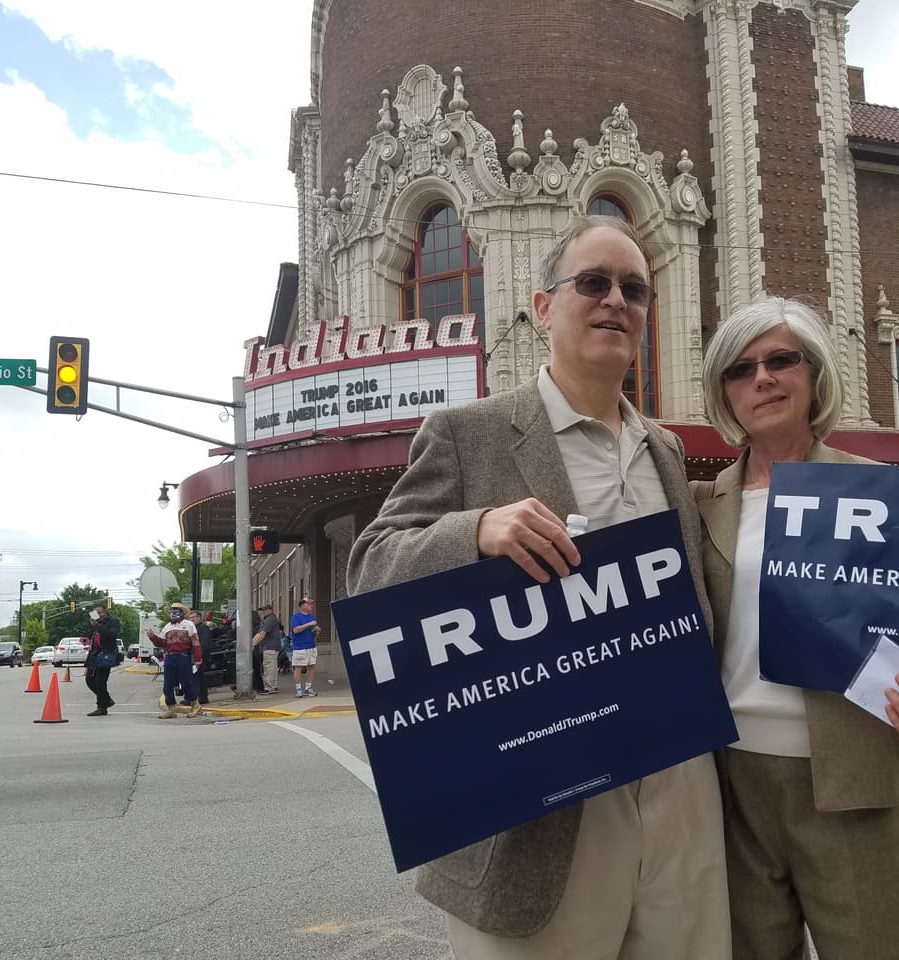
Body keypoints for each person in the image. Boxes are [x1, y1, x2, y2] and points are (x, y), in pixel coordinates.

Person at [348, 215, 729, 959]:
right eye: (593, 282)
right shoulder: (469, 433)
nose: (616, 300)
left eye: (634, 289)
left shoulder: (668, 450)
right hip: (543, 802)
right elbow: (369, 568)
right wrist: (477, 530)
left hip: (680, 786)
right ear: (544, 305)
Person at [692, 296, 899, 960]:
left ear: (815, 373)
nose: (761, 378)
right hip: (732, 786)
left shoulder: (885, 495)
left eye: (780, 360)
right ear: (724, 393)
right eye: (740, 369)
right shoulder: (700, 503)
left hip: (860, 780)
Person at [146, 602, 203, 718]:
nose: (173, 613)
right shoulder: (167, 627)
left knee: (186, 683)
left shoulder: (188, 625)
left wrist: (198, 659)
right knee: (167, 684)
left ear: (182, 613)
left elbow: (195, 642)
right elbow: (161, 643)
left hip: (183, 656)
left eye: (176, 610)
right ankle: (171, 707)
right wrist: (152, 636)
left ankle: (195, 704)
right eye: (172, 611)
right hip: (170, 657)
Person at [84, 604, 120, 716]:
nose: (99, 615)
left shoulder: (113, 621)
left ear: (106, 612)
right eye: (96, 613)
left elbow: (111, 636)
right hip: (95, 655)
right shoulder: (96, 624)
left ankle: (101, 707)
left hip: (106, 656)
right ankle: (107, 700)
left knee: (100, 682)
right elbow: (95, 642)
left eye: (101, 612)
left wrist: (98, 625)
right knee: (89, 680)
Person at [288, 597, 321, 697]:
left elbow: (314, 632)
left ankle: (308, 687)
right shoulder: (296, 617)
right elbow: (296, 630)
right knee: (298, 667)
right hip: (300, 647)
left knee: (311, 666)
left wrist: (316, 630)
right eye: (309, 604)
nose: (311, 605)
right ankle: (298, 689)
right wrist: (309, 624)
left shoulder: (312, 617)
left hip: (311, 645)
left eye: (311, 604)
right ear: (302, 605)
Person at [251, 603, 282, 695]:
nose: (262, 612)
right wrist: (251, 643)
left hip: (270, 646)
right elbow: (259, 633)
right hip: (270, 646)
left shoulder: (270, 619)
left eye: (264, 610)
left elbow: (262, 634)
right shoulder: (266, 619)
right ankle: (274, 686)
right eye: (261, 610)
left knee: (269, 667)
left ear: (270, 610)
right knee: (272, 666)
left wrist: (252, 645)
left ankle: (269, 687)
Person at [187, 609, 213, 705]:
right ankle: (201, 698)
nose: (192, 619)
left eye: (194, 617)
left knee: (196, 677)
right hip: (194, 655)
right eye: (190, 618)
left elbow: (205, 644)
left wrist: (199, 656)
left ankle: (196, 698)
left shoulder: (202, 628)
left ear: (199, 618)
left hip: (200, 656)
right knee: (197, 677)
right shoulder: (193, 628)